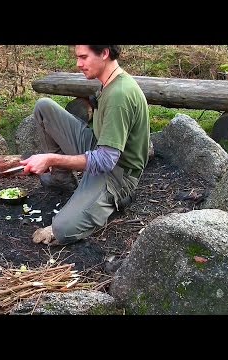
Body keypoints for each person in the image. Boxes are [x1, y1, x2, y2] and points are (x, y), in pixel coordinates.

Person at [20, 45, 150, 246]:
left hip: (117, 175)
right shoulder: (108, 82)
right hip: (99, 146)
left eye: (83, 57)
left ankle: (112, 201)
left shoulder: (119, 95)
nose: (78, 64)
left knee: (62, 230)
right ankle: (61, 180)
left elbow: (106, 161)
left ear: (104, 53)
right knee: (44, 107)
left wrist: (51, 159)